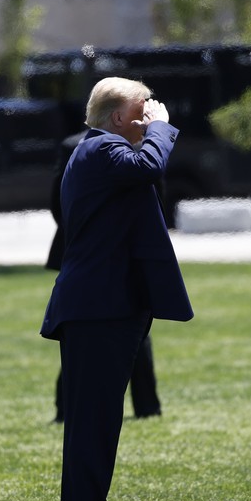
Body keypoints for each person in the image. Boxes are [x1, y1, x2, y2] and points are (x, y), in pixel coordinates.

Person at [40, 77, 193, 501]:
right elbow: (150, 165)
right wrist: (163, 128)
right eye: (144, 109)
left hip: (104, 307)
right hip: (97, 310)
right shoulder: (102, 148)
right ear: (119, 118)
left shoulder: (103, 152)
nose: (152, 113)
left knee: (98, 425)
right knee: (93, 426)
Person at [45, 132, 162, 423]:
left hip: (97, 253)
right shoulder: (143, 146)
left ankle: (72, 406)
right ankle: (142, 406)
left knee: (93, 333)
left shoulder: (142, 146)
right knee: (91, 333)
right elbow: (60, 200)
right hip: (92, 252)